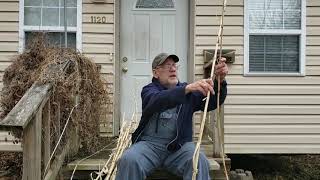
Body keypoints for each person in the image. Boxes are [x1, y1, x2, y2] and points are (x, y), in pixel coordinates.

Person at [116, 53, 228, 180]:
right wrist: (185, 89)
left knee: (199, 160)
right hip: (149, 146)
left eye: (174, 65)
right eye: (167, 65)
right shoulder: (149, 90)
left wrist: (220, 80)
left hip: (179, 148)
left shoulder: (188, 91)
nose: (173, 69)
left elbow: (213, 101)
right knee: (128, 159)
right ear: (155, 73)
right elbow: (157, 101)